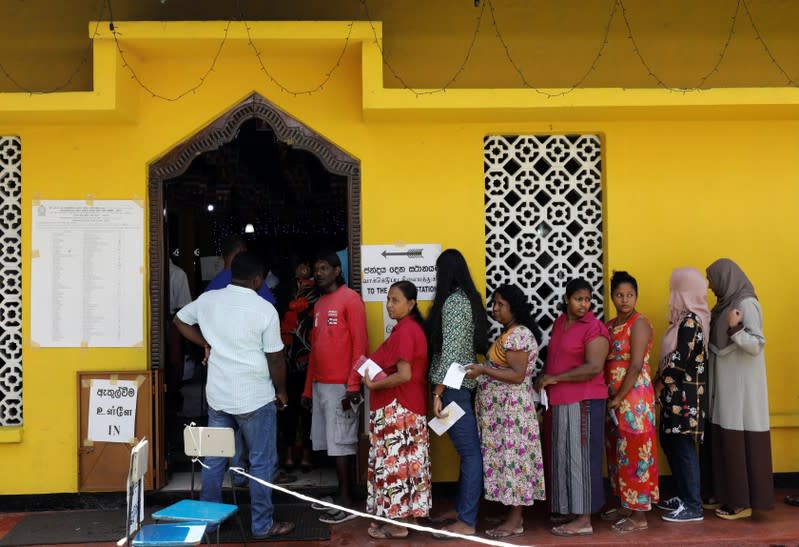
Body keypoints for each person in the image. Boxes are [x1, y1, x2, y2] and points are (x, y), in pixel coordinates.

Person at [174, 251, 294, 539]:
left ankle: (210, 521)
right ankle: (262, 524)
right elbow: (276, 358)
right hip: (255, 397)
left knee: (214, 461)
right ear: (257, 279)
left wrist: (205, 343)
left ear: (231, 274)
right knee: (261, 461)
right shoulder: (265, 309)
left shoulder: (209, 300)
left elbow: (179, 320)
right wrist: (281, 390)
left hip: (219, 398)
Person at [465, 284, 545, 539]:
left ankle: (515, 520)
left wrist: (483, 370)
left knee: (514, 463)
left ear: (514, 307)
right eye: (495, 303)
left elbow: (517, 375)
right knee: (505, 462)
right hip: (501, 413)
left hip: (512, 413)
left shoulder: (519, 335)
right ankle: (510, 512)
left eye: (500, 304)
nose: (495, 309)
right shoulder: (508, 333)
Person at [535, 277, 610, 537]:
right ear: (567, 299)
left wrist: (555, 378)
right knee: (563, 455)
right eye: (579, 299)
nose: (584, 304)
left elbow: (593, 367)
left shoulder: (595, 328)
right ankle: (568, 508)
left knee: (582, 458)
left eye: (588, 299)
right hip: (560, 400)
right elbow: (555, 358)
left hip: (585, 400)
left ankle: (584, 518)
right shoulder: (560, 322)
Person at [301, 250, 368, 524]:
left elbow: (361, 345)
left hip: (342, 385)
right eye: (316, 268)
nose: (319, 273)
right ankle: (341, 492)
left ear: (337, 271)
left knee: (342, 442)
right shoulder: (318, 304)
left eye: (324, 268)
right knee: (330, 442)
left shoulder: (351, 300)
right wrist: (307, 389)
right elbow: (315, 349)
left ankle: (347, 498)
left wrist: (353, 385)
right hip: (320, 384)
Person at [362, 281, 431, 540]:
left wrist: (374, 383)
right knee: (408, 465)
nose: (389, 305)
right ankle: (406, 517)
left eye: (395, 300)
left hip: (399, 408)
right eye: (388, 299)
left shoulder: (405, 331)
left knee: (396, 466)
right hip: (409, 407)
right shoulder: (410, 328)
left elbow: (404, 374)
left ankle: (397, 525)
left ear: (411, 304)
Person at [427, 249, 489, 537]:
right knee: (468, 454)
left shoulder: (453, 303)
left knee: (470, 454)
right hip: (464, 389)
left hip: (454, 389)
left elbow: (452, 353)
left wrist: (438, 392)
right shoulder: (469, 300)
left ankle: (466, 520)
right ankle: (461, 509)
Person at [706, 258, 774, 519]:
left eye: (712, 279)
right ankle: (727, 495)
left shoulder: (746, 303)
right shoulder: (723, 305)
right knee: (724, 438)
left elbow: (756, 344)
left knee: (740, 440)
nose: (710, 285)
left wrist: (735, 328)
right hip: (726, 386)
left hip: (743, 390)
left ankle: (743, 502)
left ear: (725, 277)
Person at [601, 271, 658, 533]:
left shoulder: (639, 323)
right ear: (612, 296)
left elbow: (635, 366)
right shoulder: (611, 324)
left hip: (633, 399)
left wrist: (618, 398)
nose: (625, 299)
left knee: (636, 453)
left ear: (636, 296)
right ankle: (625, 504)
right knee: (618, 453)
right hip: (615, 399)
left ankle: (639, 516)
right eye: (620, 295)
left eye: (630, 295)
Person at [654, 267, 709, 523]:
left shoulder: (690, 321)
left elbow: (678, 361)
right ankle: (682, 495)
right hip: (674, 397)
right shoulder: (682, 320)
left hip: (684, 398)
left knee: (684, 448)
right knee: (672, 445)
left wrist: (658, 384)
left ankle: (693, 506)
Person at [278, 259, 318, 472]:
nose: (305, 269)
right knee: (287, 407)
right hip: (286, 357)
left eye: (307, 266)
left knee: (307, 408)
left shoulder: (317, 292)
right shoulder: (283, 291)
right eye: (301, 265)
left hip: (309, 357)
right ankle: (288, 454)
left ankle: (305, 454)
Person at [206, 236, 276, 305]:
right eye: (246, 252)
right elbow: (270, 308)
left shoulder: (211, 287)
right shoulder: (252, 280)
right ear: (240, 250)